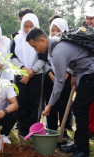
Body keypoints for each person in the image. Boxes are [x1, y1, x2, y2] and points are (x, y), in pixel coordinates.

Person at [26, 27, 94, 157]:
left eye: (35, 46)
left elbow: (59, 83)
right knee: (79, 108)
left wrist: (49, 105)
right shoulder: (58, 40)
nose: (35, 50)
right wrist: (74, 74)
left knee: (79, 108)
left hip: (90, 73)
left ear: (42, 40)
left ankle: (83, 150)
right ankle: (78, 144)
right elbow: (77, 55)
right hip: (84, 72)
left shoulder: (57, 52)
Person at [11, 13, 44, 137]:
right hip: (20, 74)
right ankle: (22, 128)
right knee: (21, 101)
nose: (28, 29)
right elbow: (12, 56)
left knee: (34, 102)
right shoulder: (16, 39)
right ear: (22, 25)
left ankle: (33, 128)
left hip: (36, 74)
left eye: (32, 26)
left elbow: (42, 57)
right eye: (26, 26)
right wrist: (23, 69)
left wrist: (31, 71)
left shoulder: (40, 39)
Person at [44, 18, 73, 137]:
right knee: (51, 104)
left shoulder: (69, 43)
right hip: (50, 79)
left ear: (65, 30)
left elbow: (72, 62)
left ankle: (63, 131)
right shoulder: (48, 44)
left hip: (66, 79)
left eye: (58, 30)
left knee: (64, 105)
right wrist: (52, 77)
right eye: (53, 30)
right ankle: (51, 130)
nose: (55, 33)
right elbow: (44, 62)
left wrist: (64, 75)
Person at [83, 7, 94, 136]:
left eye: (91, 18)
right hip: (87, 72)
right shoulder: (82, 33)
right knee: (89, 103)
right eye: (87, 18)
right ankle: (90, 129)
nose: (89, 21)